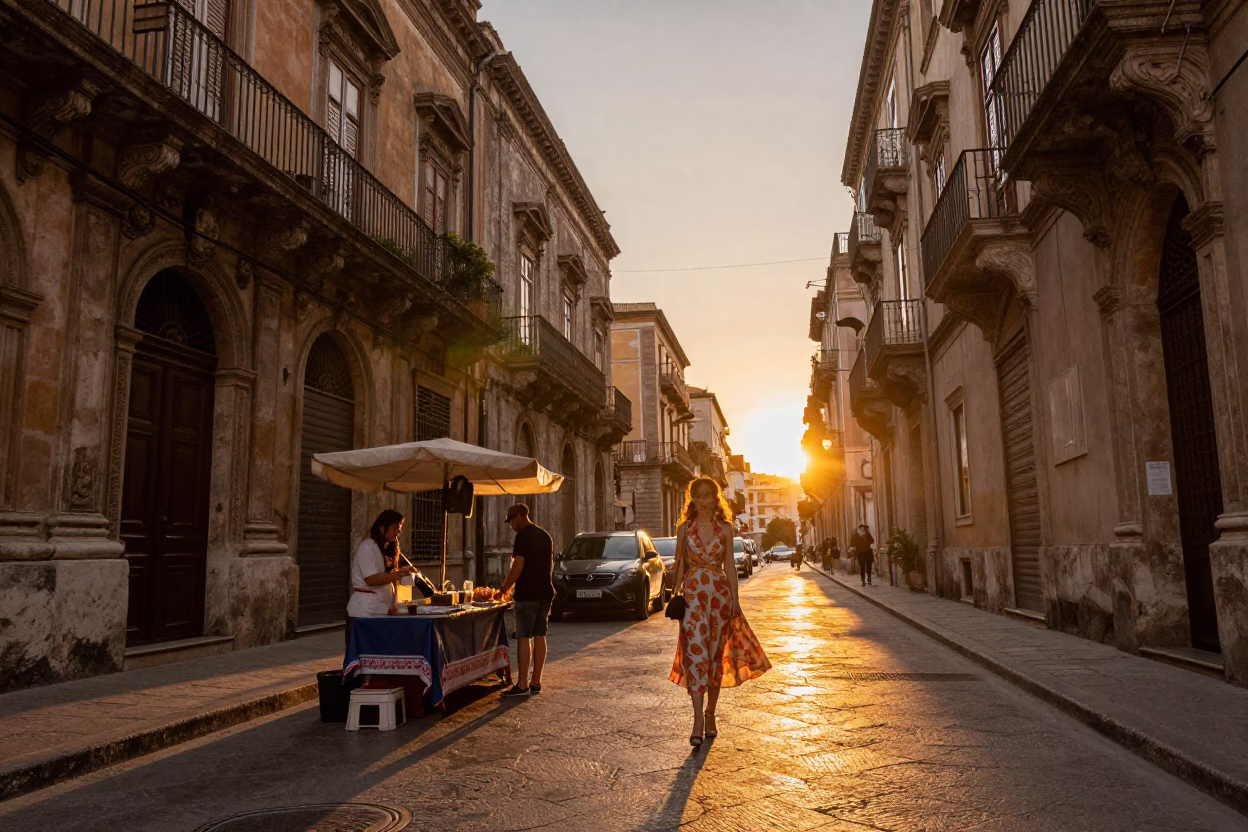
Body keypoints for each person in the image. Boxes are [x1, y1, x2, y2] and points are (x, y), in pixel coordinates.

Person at [670, 477, 771, 748]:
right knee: (695, 657)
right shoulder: (683, 529)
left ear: (716, 499)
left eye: (707, 496)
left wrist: (735, 601)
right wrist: (674, 596)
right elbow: (680, 565)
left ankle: (710, 713)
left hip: (718, 599)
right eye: (698, 495)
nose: (703, 500)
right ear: (692, 499)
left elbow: (729, 567)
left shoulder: (725, 529)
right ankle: (697, 721)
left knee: (714, 658)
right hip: (692, 599)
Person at [499, 503, 554, 697]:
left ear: (520, 516)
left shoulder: (522, 537)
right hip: (545, 593)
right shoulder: (545, 535)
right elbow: (550, 565)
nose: (511, 524)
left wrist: (503, 589)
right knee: (540, 635)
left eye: (512, 520)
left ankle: (522, 684)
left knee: (523, 636)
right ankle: (536, 682)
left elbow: (517, 567)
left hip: (527, 595)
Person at [345, 509, 416, 649]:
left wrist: (400, 572)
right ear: (383, 528)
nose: (398, 533)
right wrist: (397, 575)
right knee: (365, 652)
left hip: (379, 611)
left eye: (399, 530)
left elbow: (384, 574)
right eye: (395, 528)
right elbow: (371, 579)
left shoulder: (382, 548)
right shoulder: (367, 547)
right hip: (364, 612)